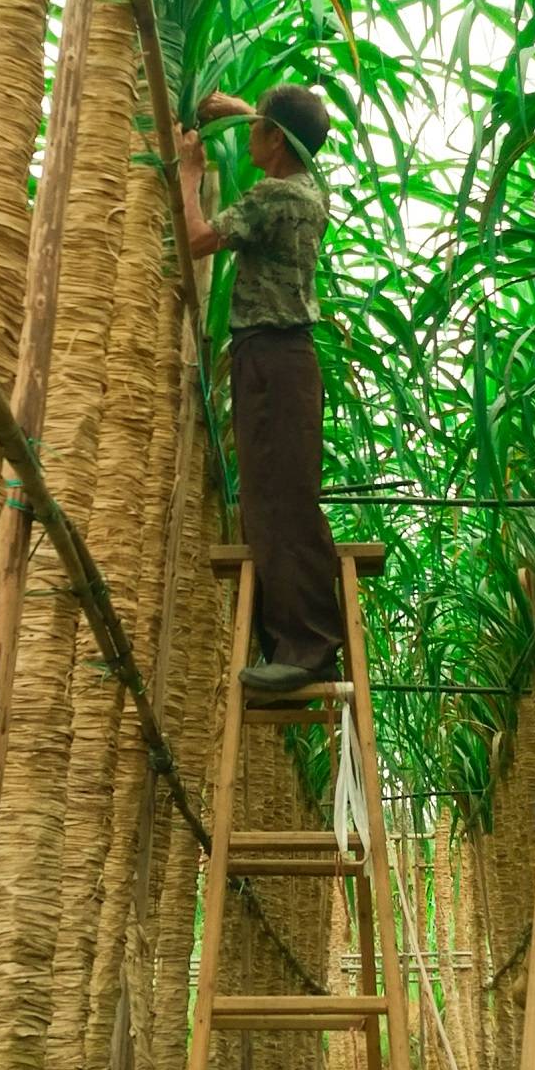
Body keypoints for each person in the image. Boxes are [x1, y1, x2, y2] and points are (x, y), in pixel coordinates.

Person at [179, 82, 345, 694]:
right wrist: (245, 110)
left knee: (278, 501)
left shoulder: (274, 195)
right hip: (283, 360)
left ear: (276, 142)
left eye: (257, 129)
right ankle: (298, 642)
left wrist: (190, 175)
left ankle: (307, 648)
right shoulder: (306, 187)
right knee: (278, 493)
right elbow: (295, 138)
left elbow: (198, 239)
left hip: (272, 359)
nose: (248, 136)